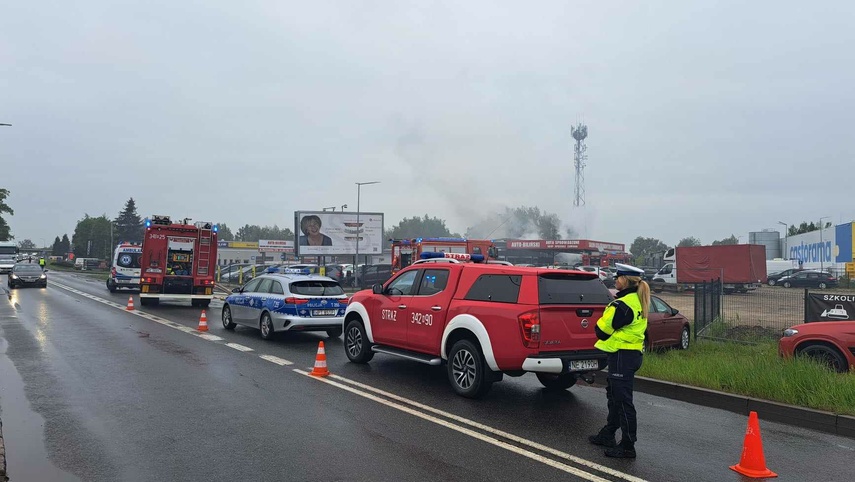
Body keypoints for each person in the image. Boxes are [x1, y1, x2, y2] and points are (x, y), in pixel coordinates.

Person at [588, 263, 650, 459]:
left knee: (622, 401)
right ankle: (609, 433)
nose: (615, 280)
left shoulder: (621, 305)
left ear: (624, 280)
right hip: (631, 355)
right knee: (615, 396)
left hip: (622, 356)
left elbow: (601, 331)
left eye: (617, 277)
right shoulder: (638, 300)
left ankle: (627, 445)